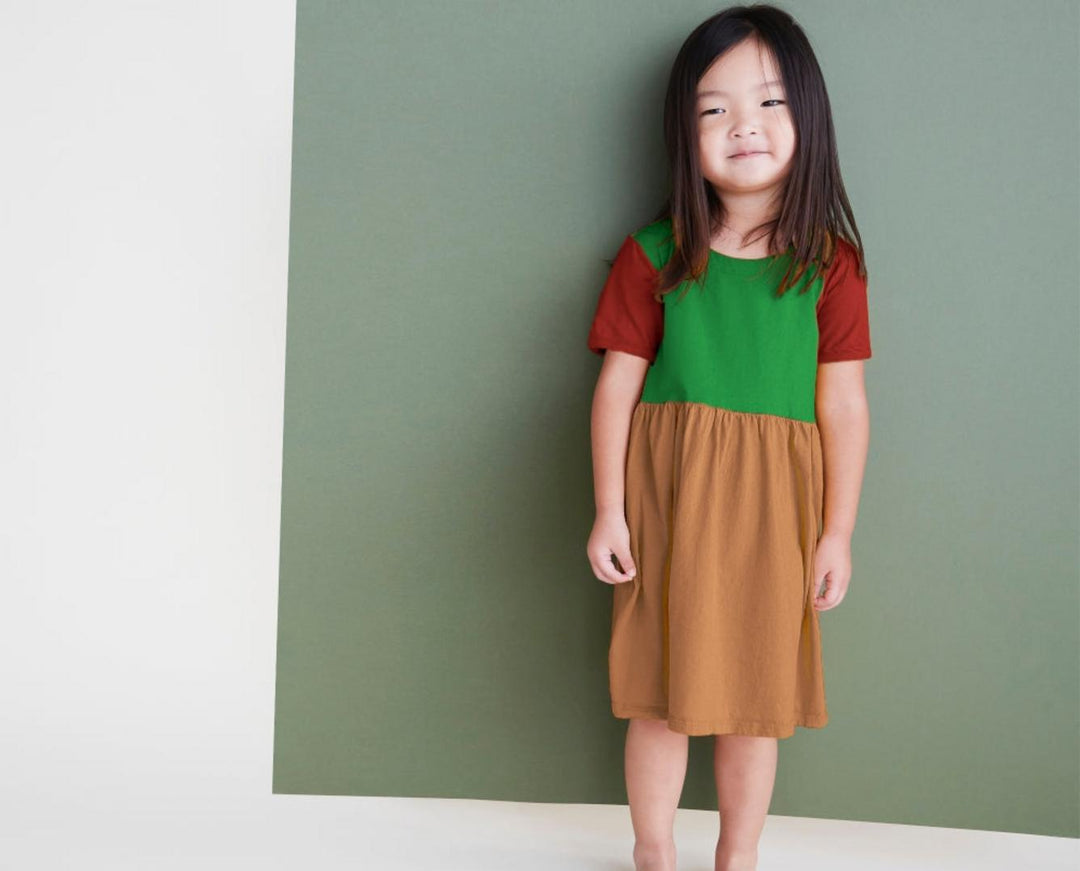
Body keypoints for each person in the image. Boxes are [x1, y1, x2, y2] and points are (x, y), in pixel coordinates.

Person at [584, 6, 872, 871]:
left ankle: (737, 856)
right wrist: (608, 511)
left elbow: (844, 406)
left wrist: (837, 532)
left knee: (754, 704)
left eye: (770, 102)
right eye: (715, 109)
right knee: (659, 699)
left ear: (808, 118)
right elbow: (616, 388)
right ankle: (654, 851)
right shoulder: (654, 255)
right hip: (668, 507)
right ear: (686, 133)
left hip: (773, 517)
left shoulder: (830, 266)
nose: (744, 125)